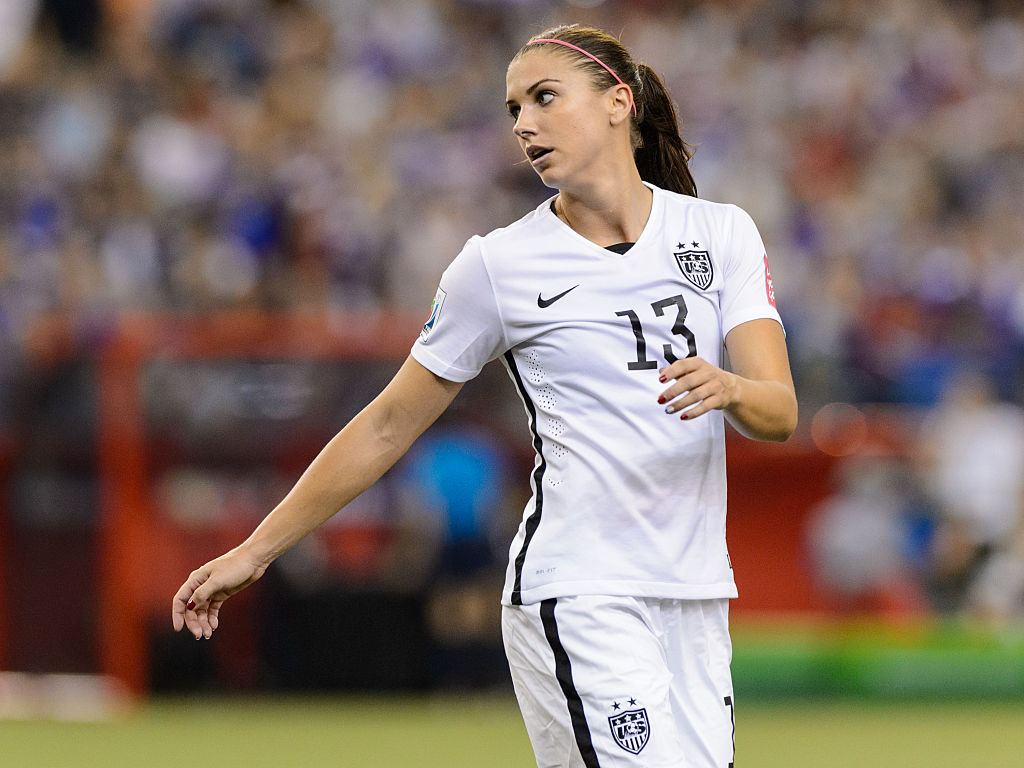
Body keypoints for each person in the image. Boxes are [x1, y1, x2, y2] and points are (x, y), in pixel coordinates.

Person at [172, 24, 797, 768]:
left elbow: (779, 412)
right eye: (512, 110)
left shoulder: (721, 233)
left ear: (617, 103)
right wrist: (257, 550)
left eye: (543, 98)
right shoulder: (498, 266)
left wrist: (728, 386)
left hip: (693, 591)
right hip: (579, 589)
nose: (524, 125)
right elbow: (387, 425)